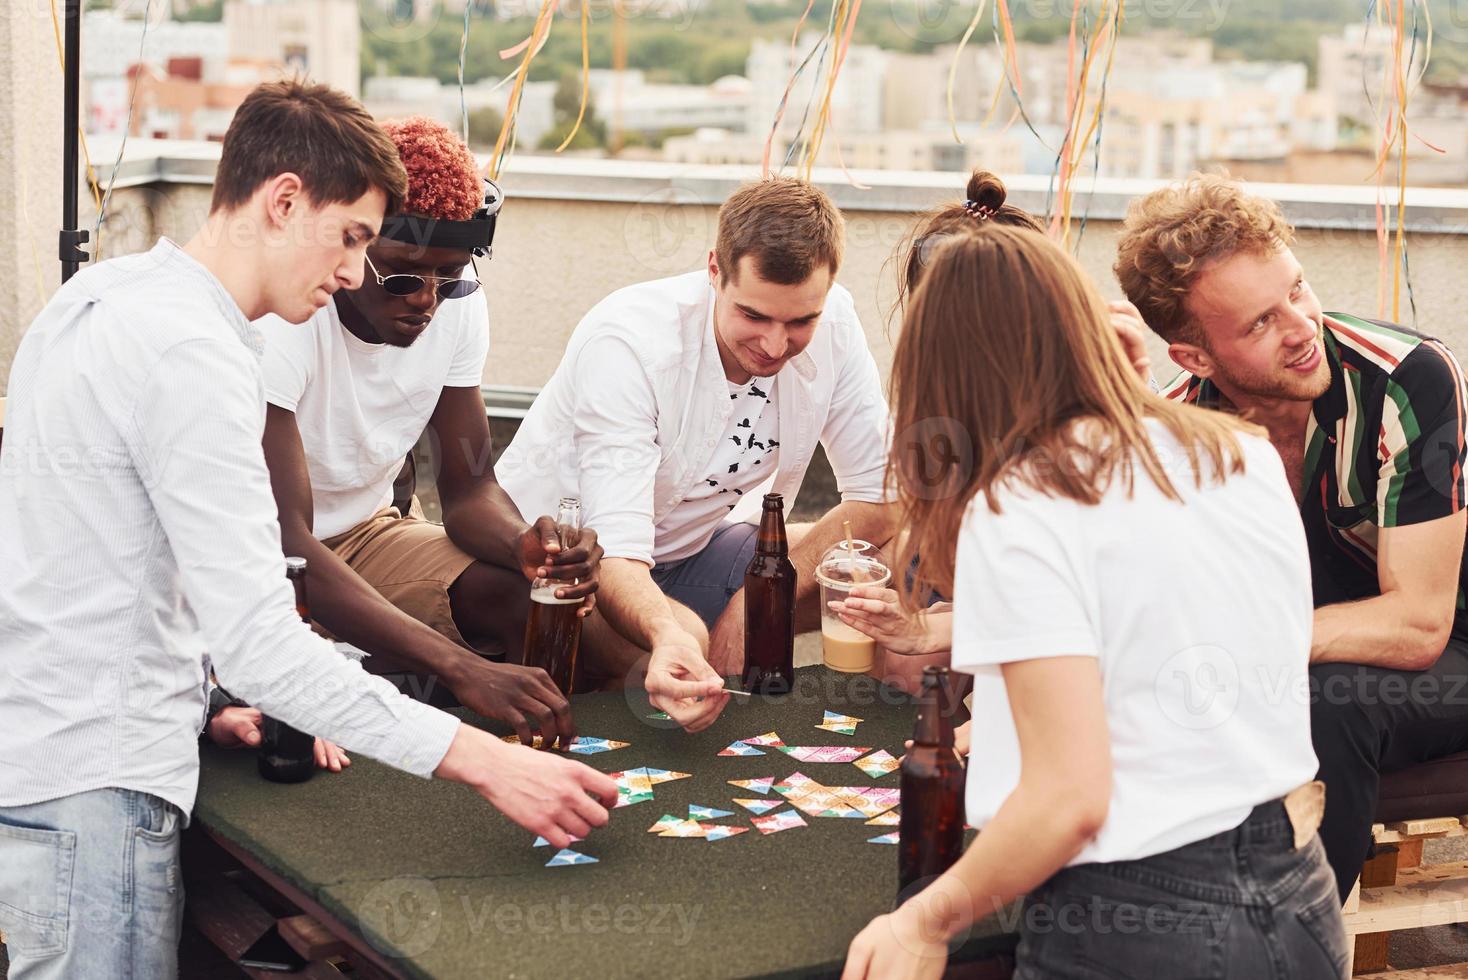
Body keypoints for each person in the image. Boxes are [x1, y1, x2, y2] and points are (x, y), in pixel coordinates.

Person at [0, 80, 616, 980]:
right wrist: (485, 761)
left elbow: (80, 563)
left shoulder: (97, 300)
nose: (357, 272)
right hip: (99, 790)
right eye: (356, 237)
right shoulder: (193, 357)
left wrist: (204, 698)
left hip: (46, 757)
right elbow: (260, 635)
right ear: (284, 200)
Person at [843, 225, 1345, 979]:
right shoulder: (1239, 450)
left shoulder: (1020, 504)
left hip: (1141, 920)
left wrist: (926, 918)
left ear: (941, 374)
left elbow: (1070, 796)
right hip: (1302, 894)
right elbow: (1148, 608)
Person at [1115, 173, 1468, 901]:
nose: (1304, 327)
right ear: (1195, 359)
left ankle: (1294, 940)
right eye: (1259, 323)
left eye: (1297, 291)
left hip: (1453, 649)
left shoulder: (1408, 379)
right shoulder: (1179, 424)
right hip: (1302, 649)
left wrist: (1248, 644)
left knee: (1323, 699)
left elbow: (1420, 626)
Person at [497, 177, 897, 729]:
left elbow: (882, 498)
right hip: (574, 576)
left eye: (801, 321)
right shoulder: (630, 341)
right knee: (685, 646)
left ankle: (892, 743)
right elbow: (616, 551)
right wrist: (673, 631)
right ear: (714, 271)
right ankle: (613, 699)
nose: (776, 345)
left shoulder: (837, 320)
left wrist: (751, 608)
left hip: (700, 552)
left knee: (900, 564)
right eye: (755, 316)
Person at [254, 116, 601, 747]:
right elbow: (289, 544)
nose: (428, 300)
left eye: (452, 276)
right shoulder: (287, 316)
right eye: (405, 276)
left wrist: (523, 543)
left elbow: (469, 492)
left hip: (368, 535)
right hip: (265, 558)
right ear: (352, 246)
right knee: (298, 720)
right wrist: (459, 666)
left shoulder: (455, 304)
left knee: (533, 601)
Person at [833, 170, 1154, 694]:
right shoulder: (932, 401)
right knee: (906, 674)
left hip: (1054, 592)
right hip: (967, 565)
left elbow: (1085, 590)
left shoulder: (1090, 407)